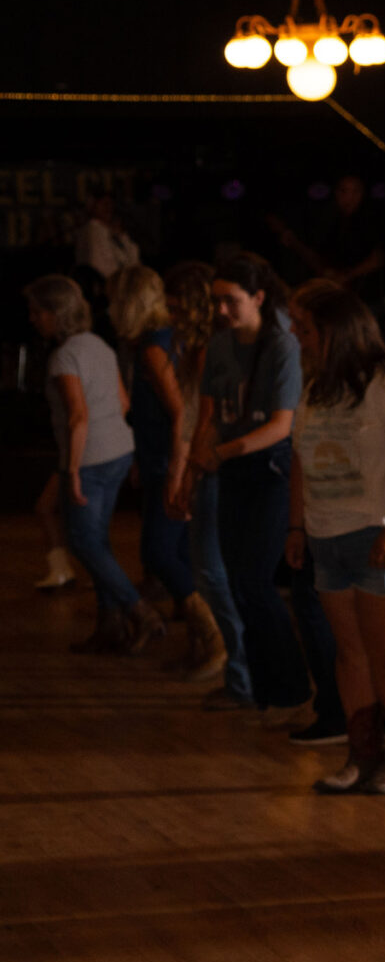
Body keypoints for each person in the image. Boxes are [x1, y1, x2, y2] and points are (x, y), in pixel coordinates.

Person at [285, 280, 385, 794]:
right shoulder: (318, 388)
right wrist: (297, 526)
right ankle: (363, 752)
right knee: (350, 651)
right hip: (329, 533)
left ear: (335, 331)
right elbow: (300, 458)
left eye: (305, 329)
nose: (298, 338)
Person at [190, 255, 310, 716]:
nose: (221, 309)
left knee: (256, 581)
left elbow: (281, 425)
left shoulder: (281, 345)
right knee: (238, 582)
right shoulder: (220, 345)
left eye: (231, 300)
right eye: (216, 300)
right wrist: (196, 466)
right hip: (231, 470)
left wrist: (220, 453)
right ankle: (262, 689)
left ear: (258, 297)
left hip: (270, 470)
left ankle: (291, 687)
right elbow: (210, 416)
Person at [108, 265, 220, 677]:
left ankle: (212, 636)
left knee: (158, 551)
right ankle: (200, 642)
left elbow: (180, 413)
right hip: (159, 458)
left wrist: (176, 472)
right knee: (176, 552)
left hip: (169, 461)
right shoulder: (160, 341)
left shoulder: (155, 348)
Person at [27, 275, 143, 652]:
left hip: (89, 458)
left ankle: (140, 611)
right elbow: (124, 403)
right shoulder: (99, 345)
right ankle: (111, 626)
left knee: (83, 542)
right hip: (119, 451)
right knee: (97, 541)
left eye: (38, 312)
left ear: (55, 313)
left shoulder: (64, 356)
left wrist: (73, 470)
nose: (33, 319)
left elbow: (78, 417)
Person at [161, 262, 252, 706]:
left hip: (213, 465)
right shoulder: (206, 348)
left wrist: (184, 474)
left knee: (213, 572)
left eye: (177, 306)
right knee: (211, 571)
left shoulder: (210, 352)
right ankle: (238, 670)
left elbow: (201, 420)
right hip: (210, 464)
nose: (170, 313)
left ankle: (241, 673)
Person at [271, 174, 385, 303]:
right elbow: (321, 260)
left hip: (367, 298)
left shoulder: (372, 220)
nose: (350, 198)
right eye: (344, 191)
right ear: (335, 193)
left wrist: (346, 276)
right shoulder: (332, 222)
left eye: (356, 191)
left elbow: (378, 258)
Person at [73, 194, 141, 285]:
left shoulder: (112, 232)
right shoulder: (93, 229)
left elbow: (133, 260)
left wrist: (122, 236)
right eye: (104, 204)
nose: (108, 208)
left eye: (110, 204)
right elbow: (100, 267)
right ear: (93, 206)